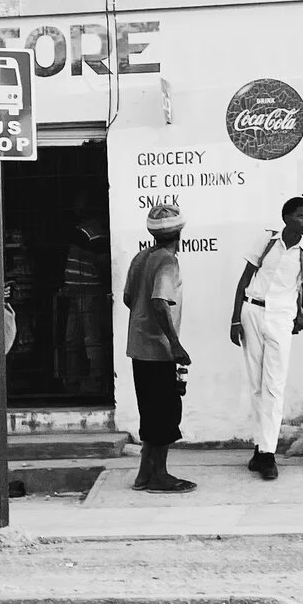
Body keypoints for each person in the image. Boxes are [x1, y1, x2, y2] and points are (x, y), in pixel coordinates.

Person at [229, 194, 303, 479]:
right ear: (287, 218)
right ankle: (260, 449)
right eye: (302, 216)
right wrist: (235, 318)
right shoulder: (267, 241)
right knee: (256, 385)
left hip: (281, 318)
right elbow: (245, 279)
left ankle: (267, 454)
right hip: (252, 312)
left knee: (274, 386)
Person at [123, 201, 194, 493]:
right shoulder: (168, 261)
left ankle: (144, 474)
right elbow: (159, 301)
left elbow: (129, 298)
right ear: (180, 233)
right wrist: (175, 344)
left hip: (138, 347)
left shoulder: (141, 257)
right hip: (159, 350)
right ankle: (159, 476)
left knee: (149, 413)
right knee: (165, 414)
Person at [57, 195, 112, 398]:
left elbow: (102, 261)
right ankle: (74, 383)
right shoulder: (84, 231)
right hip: (76, 290)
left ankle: (94, 383)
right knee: (73, 339)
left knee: (89, 339)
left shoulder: (91, 232)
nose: (75, 207)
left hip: (89, 290)